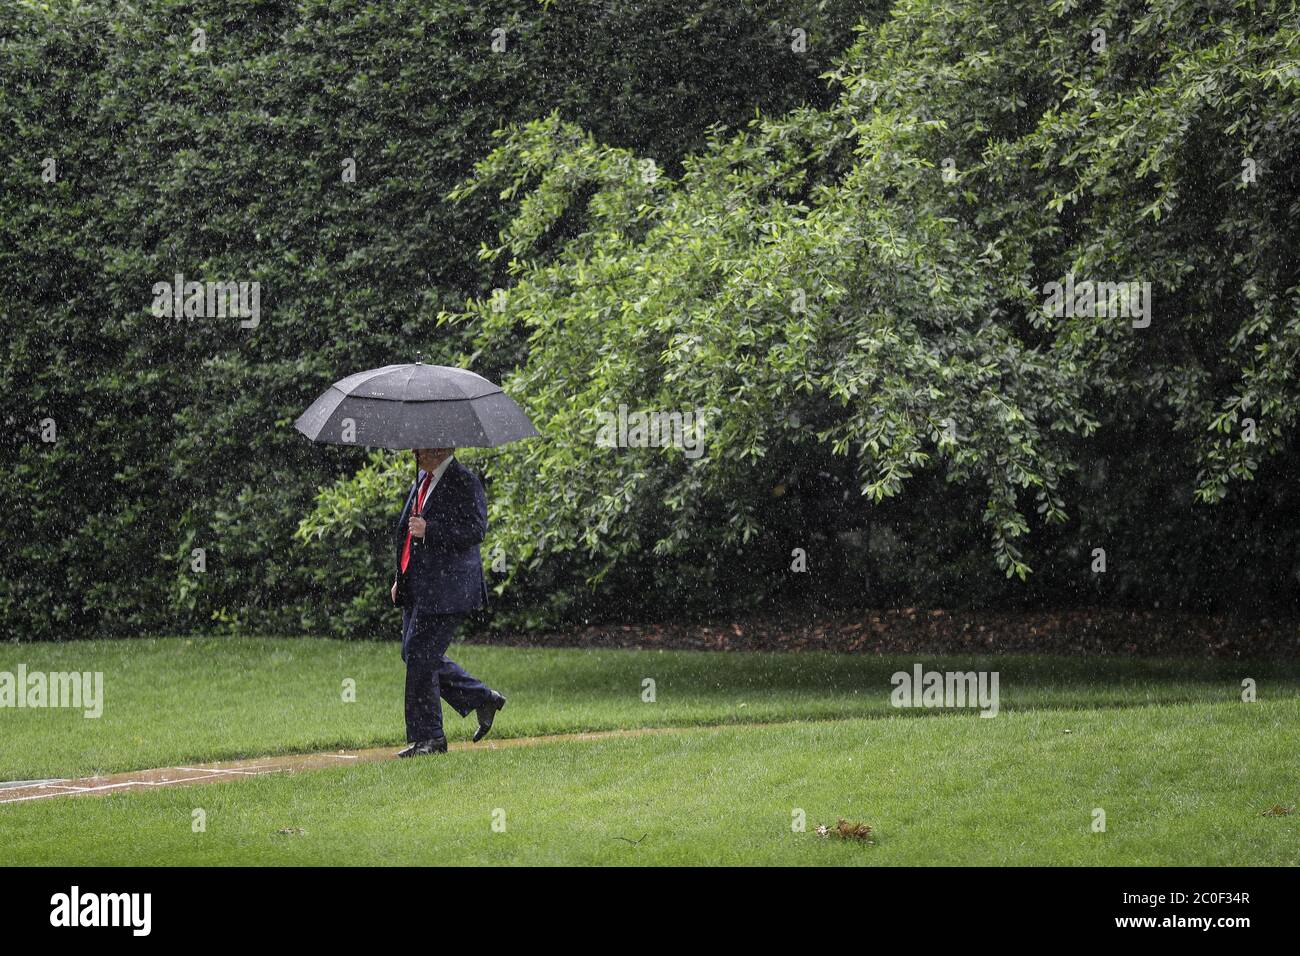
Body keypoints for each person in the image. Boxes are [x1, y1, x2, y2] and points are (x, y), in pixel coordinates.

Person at [390, 447, 505, 757]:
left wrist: (431, 530)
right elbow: (407, 534)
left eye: (422, 445)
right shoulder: (422, 481)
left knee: (420, 655)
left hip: (448, 588)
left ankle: (430, 739)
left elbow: (475, 530)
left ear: (442, 448)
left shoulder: (464, 481)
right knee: (414, 654)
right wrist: (401, 577)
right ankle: (481, 698)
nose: (414, 450)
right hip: (418, 586)